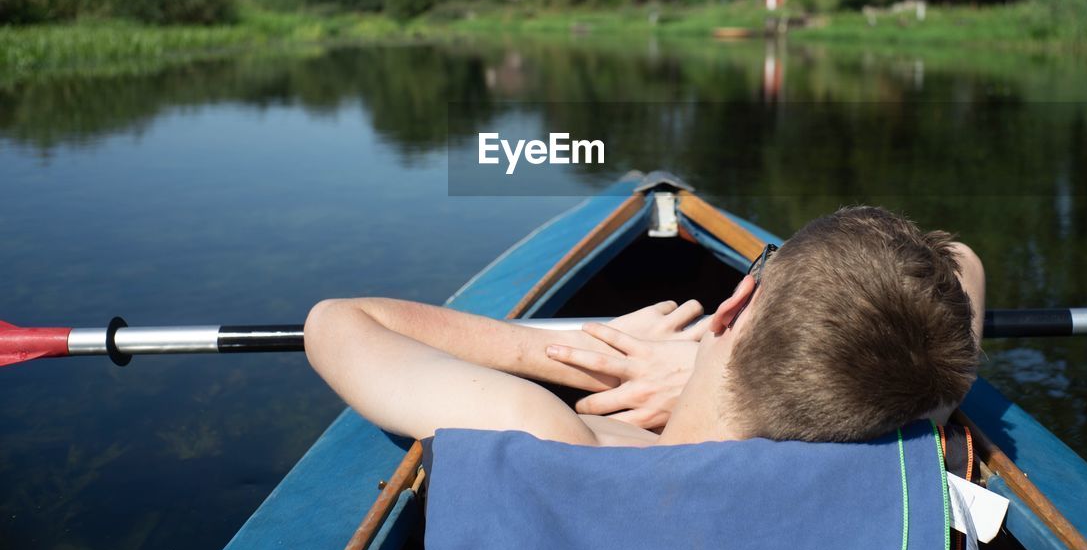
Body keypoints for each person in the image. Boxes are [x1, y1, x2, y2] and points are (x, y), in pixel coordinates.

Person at [304, 206, 986, 447]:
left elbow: (339, 322)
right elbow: (961, 265)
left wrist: (574, 352)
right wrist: (704, 370)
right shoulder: (905, 431)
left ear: (734, 304)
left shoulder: (559, 434)